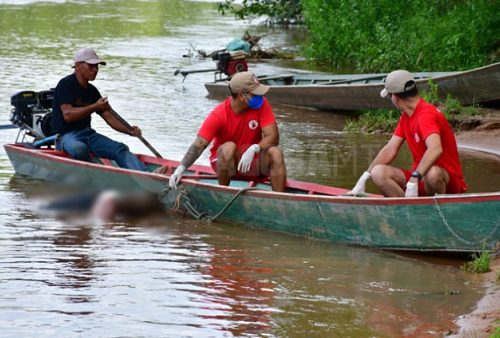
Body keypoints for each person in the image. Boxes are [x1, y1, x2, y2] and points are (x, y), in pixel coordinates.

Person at [157, 71, 287, 192]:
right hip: (225, 164)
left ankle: (281, 202)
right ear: (242, 95)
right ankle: (223, 192)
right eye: (255, 93)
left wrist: (255, 148)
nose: (260, 96)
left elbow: (273, 137)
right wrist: (181, 168)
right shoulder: (219, 114)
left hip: (250, 161)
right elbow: (200, 143)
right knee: (229, 147)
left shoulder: (262, 105)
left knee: (275, 153)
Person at [348, 69, 466, 197]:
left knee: (432, 174)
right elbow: (390, 149)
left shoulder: (426, 115)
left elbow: (435, 149)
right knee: (378, 172)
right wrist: (365, 176)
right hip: (420, 179)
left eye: (389, 96)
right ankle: (407, 210)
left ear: (395, 97)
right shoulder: (406, 117)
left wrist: (414, 178)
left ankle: (437, 211)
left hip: (445, 182)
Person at [51, 48, 148, 171]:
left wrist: (129, 131)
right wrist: (95, 106)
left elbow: (109, 117)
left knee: (120, 148)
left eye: (97, 66)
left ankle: (145, 174)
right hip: (67, 136)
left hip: (88, 134)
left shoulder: (92, 91)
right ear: (78, 66)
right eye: (91, 66)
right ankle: (88, 175)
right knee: (79, 149)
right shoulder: (66, 84)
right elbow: (68, 115)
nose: (95, 70)